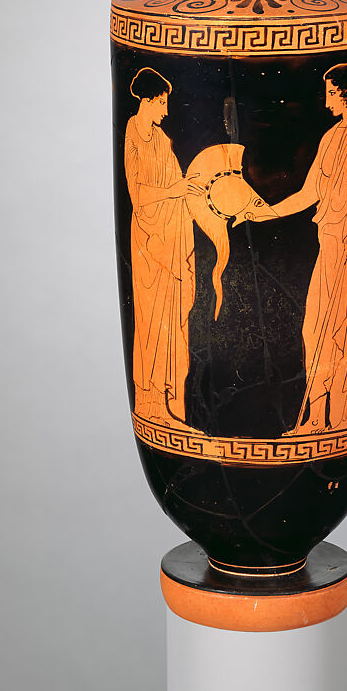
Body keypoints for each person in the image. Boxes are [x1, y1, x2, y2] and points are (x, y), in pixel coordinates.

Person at [252, 64, 347, 433]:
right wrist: (265, 212)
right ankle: (315, 418)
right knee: (316, 329)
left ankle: (339, 419)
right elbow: (311, 192)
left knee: (343, 332)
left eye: (330, 94)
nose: (326, 102)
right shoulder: (333, 136)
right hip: (330, 247)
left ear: (345, 93)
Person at [124, 68, 202, 424]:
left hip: (170, 240)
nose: (166, 110)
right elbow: (138, 195)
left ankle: (171, 406)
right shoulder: (134, 134)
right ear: (148, 100)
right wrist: (175, 191)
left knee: (173, 324)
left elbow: (177, 185)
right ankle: (152, 404)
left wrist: (194, 191)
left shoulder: (161, 140)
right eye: (162, 103)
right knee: (152, 323)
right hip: (149, 244)